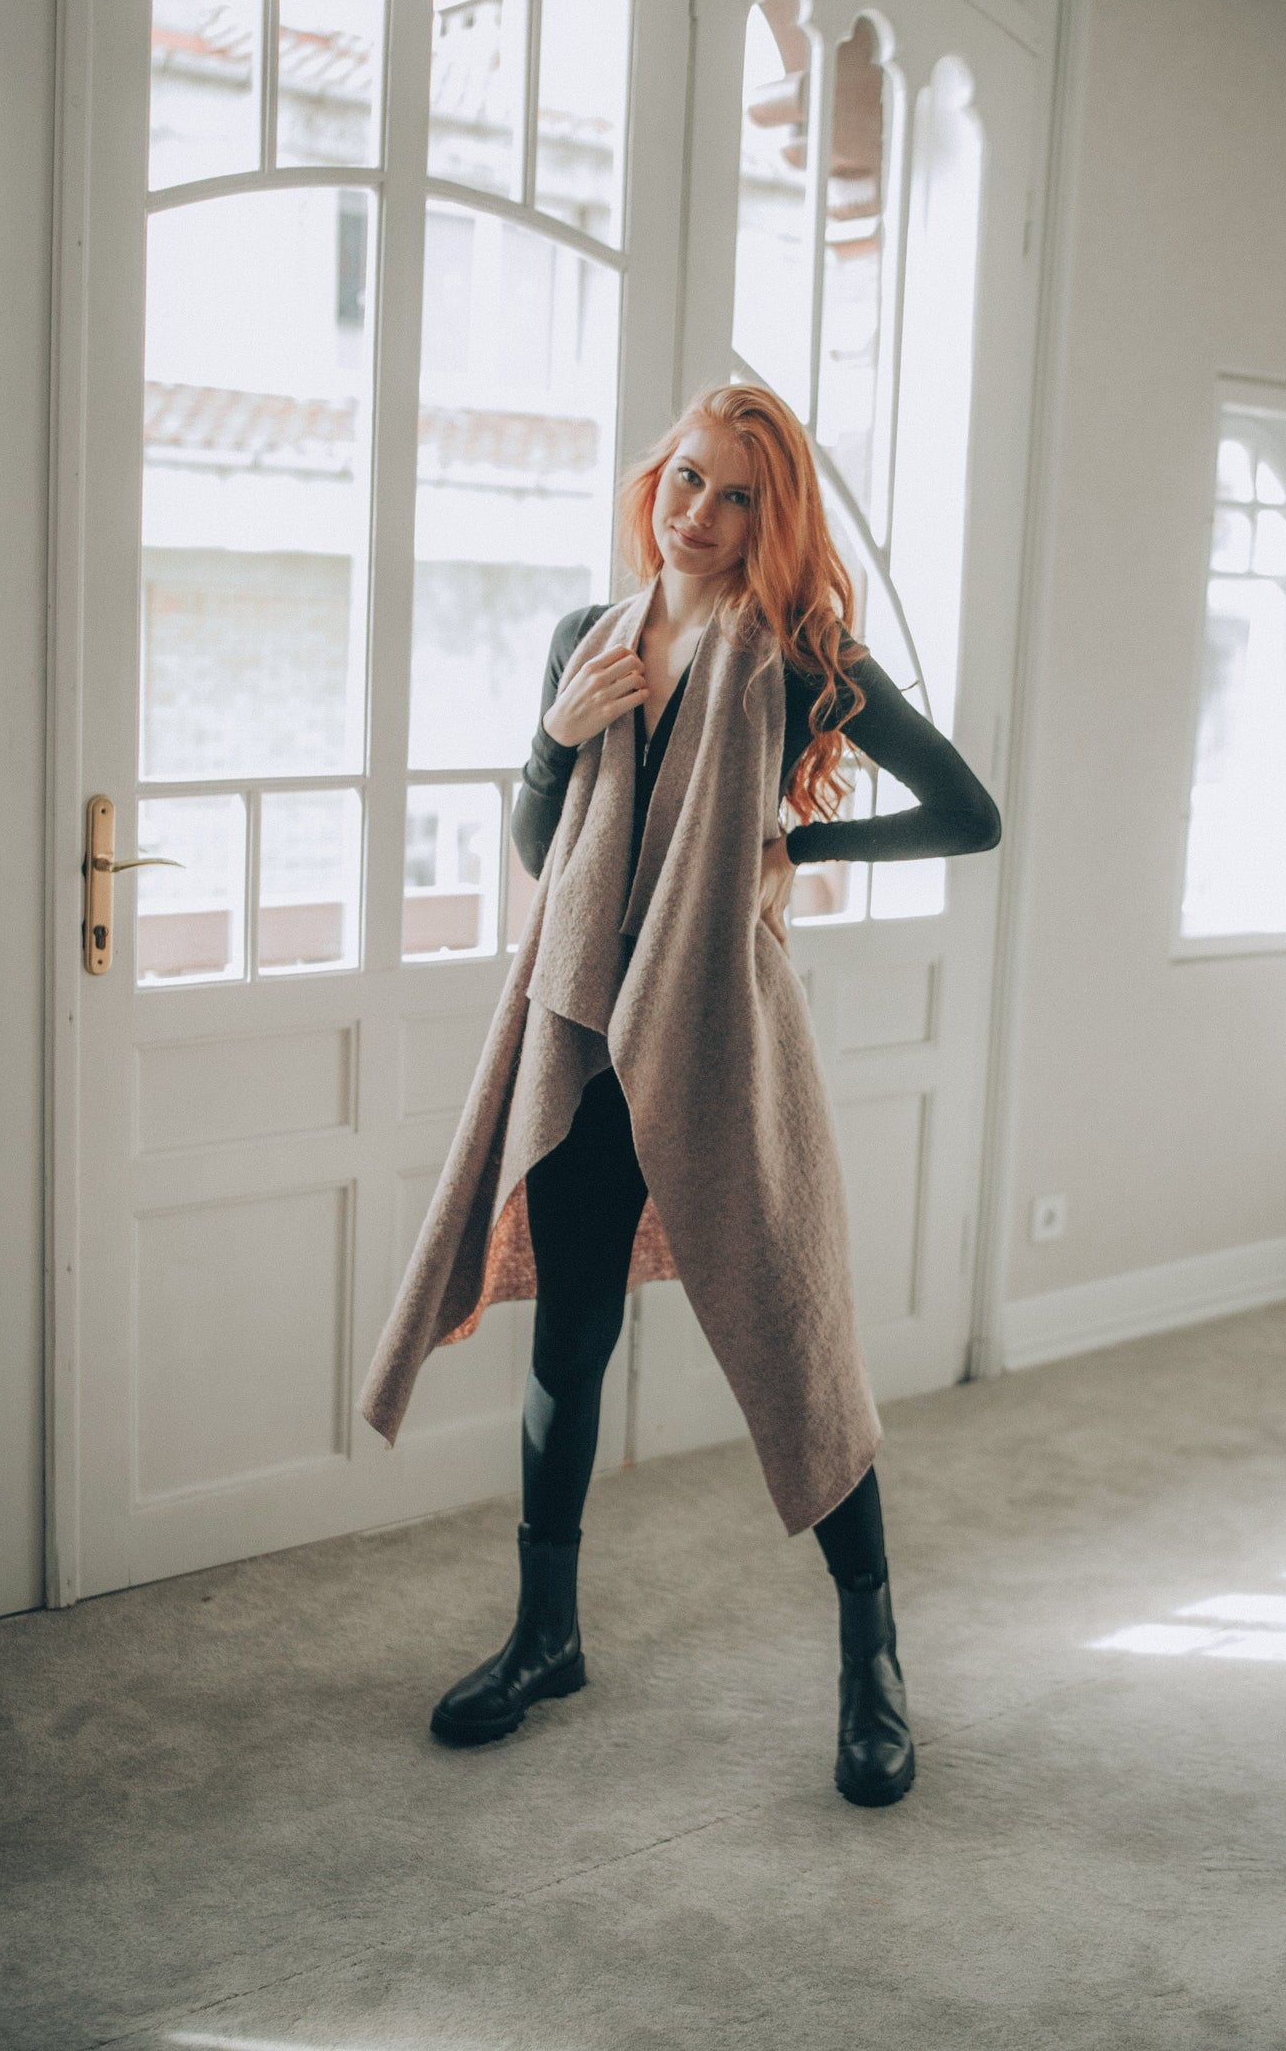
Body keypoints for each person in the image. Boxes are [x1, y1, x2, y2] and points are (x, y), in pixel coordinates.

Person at [359, 383, 1000, 1808]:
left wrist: (790, 839)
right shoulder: (586, 638)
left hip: (720, 1036)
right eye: (688, 480)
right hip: (581, 1035)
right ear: (656, 479)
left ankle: (873, 1665)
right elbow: (547, 850)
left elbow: (970, 814)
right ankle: (545, 1638)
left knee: (796, 1340)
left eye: (737, 497)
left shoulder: (802, 660)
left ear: (773, 522)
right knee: (568, 1345)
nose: (699, 515)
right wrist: (555, 733)